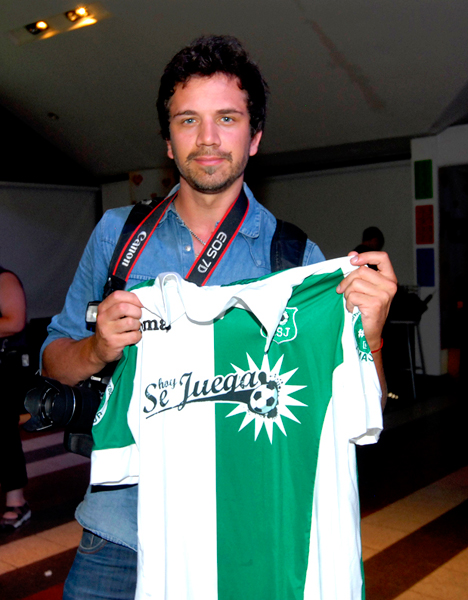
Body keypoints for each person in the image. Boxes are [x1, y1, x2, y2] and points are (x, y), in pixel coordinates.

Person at [41, 35, 397, 599]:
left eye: (227, 118)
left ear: (254, 137)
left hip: (240, 534)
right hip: (119, 538)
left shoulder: (294, 261)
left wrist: (370, 337)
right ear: (168, 140)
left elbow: (362, 410)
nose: (207, 138)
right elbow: (54, 361)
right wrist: (96, 349)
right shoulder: (118, 237)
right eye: (188, 120)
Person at [0, 266, 30, 531]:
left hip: (3, 369)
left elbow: (14, 322)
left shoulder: (4, 279)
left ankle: (16, 501)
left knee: (4, 433)